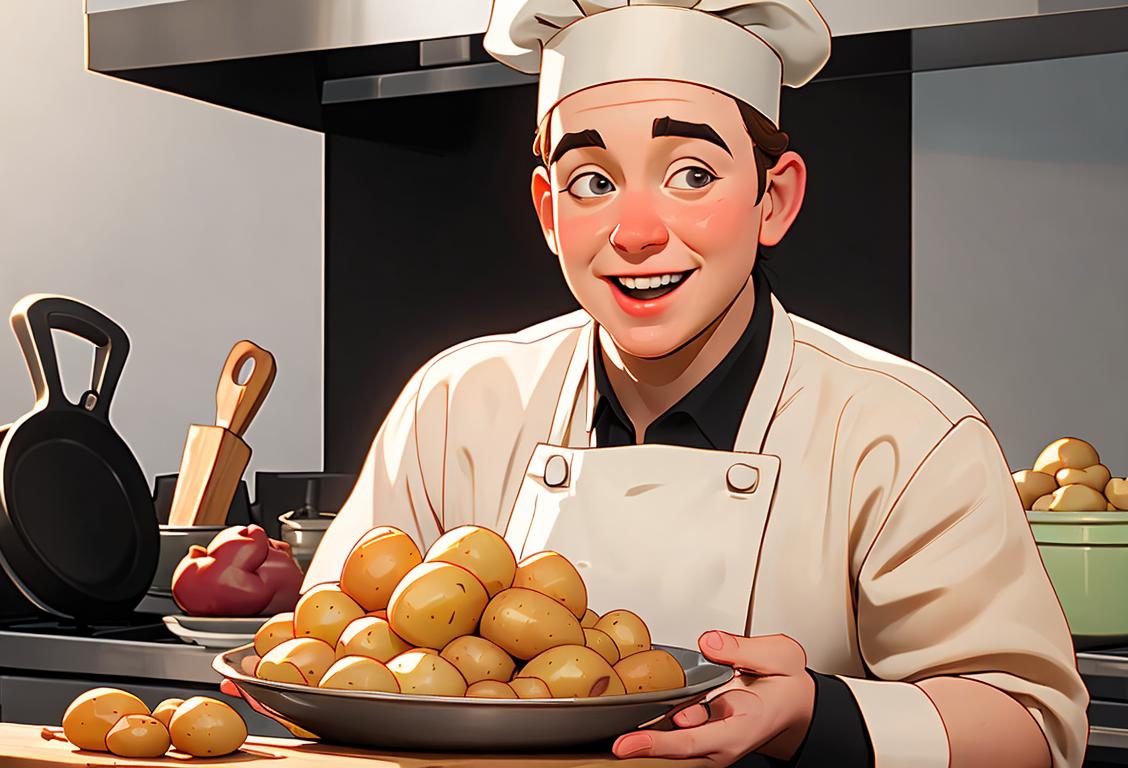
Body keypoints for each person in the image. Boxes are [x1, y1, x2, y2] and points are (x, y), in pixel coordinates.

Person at [300, 1, 1089, 765]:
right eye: (592, 182)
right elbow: (328, 659)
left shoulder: (904, 432)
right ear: (547, 210)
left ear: (772, 198)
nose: (637, 233)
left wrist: (816, 712)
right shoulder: (458, 403)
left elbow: (1033, 727)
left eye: (690, 173)